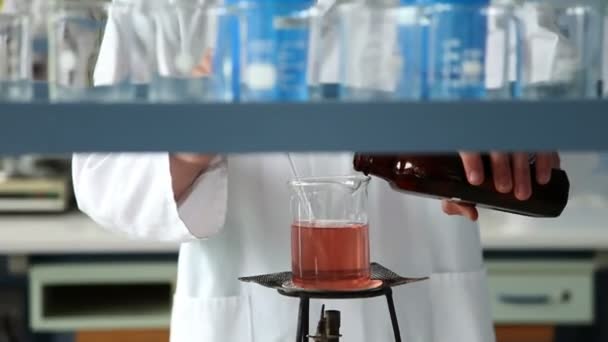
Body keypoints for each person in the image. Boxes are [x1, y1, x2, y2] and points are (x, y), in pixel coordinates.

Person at [72, 0, 561, 341]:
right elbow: (103, 176)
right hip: (247, 318)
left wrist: (517, 117)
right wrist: (193, 139)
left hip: (423, 312)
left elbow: (562, 71)